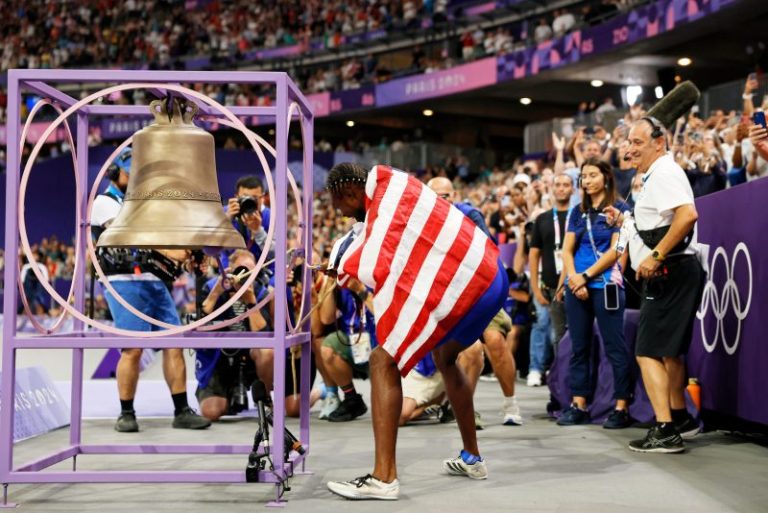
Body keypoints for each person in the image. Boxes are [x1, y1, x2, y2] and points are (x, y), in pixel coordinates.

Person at [325, 163, 508, 500]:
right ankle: (472, 457)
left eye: (340, 206)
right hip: (491, 276)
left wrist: (345, 267)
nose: (342, 214)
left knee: (383, 360)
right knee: (445, 356)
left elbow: (375, 262)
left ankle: (384, 477)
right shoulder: (393, 191)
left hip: (473, 282)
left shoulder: (388, 198)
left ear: (350, 193)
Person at [91, 147, 210, 433]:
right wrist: (172, 251)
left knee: (174, 342)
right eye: (132, 174)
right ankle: (126, 412)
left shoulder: (143, 204)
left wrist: (191, 252)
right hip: (124, 282)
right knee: (132, 348)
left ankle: (181, 409)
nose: (137, 181)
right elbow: (126, 235)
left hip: (154, 281)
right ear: (115, 172)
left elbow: (164, 239)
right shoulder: (104, 202)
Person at [605, 117, 706, 453]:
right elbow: (657, 221)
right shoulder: (655, 174)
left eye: (637, 141)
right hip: (674, 272)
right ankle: (679, 418)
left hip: (670, 272)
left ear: (658, 143)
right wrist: (626, 220)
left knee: (646, 352)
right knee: (668, 353)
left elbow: (687, 215)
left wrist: (658, 255)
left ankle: (664, 430)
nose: (630, 148)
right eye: (628, 142)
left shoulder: (663, 172)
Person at [428, 177, 522, 426]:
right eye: (434, 196)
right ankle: (466, 409)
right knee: (469, 351)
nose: (440, 201)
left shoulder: (470, 215)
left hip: (481, 293)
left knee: (495, 342)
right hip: (449, 299)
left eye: (445, 196)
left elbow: (487, 255)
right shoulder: (424, 224)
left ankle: (511, 404)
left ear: (455, 195)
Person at [559, 158, 632, 429]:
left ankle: (621, 406)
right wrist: (573, 279)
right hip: (576, 285)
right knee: (579, 347)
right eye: (584, 176)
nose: (587, 180)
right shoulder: (578, 211)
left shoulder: (620, 208)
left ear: (606, 177)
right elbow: (566, 250)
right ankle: (579, 404)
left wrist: (586, 276)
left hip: (605, 285)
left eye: (592, 175)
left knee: (615, 347)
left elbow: (617, 250)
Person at [527, 173, 574, 386]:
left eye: (566, 185)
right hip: (545, 284)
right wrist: (535, 288)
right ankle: (536, 369)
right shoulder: (543, 219)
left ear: (573, 189)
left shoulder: (577, 216)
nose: (562, 189)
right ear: (552, 190)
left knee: (562, 332)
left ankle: (560, 371)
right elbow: (534, 254)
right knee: (541, 325)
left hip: (571, 284)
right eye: (558, 185)